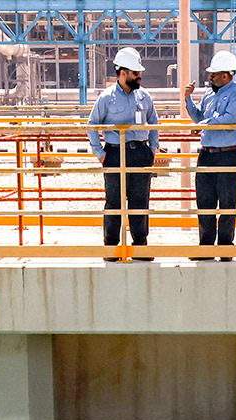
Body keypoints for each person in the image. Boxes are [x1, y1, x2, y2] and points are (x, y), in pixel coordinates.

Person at [86, 48, 159, 261]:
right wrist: (100, 153)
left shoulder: (144, 96)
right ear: (122, 72)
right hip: (115, 155)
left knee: (140, 201)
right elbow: (92, 125)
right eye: (135, 72)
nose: (139, 76)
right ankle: (111, 248)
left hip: (140, 154)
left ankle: (140, 246)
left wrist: (152, 150)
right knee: (114, 202)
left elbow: (154, 123)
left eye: (139, 72)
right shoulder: (106, 98)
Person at [182, 50, 236, 261]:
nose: (210, 77)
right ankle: (206, 247)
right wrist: (188, 100)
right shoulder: (209, 94)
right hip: (208, 155)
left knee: (228, 202)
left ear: (227, 75)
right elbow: (200, 118)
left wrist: (204, 124)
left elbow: (231, 118)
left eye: (214, 74)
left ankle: (225, 248)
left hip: (230, 154)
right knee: (205, 201)